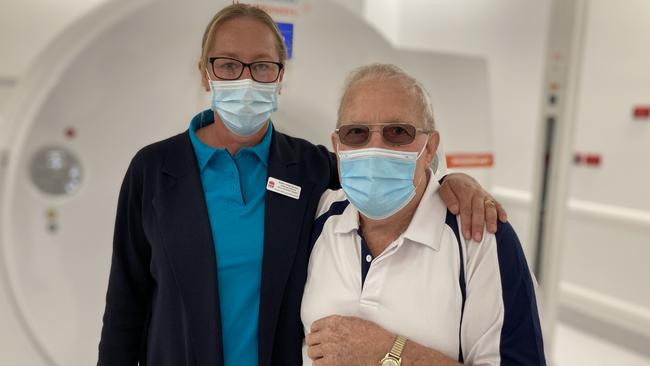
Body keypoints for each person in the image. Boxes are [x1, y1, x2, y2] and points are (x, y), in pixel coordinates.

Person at [97, 4, 506, 366]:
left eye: (261, 66)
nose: (245, 79)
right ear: (206, 74)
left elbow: (386, 171)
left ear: (279, 77)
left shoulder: (308, 166)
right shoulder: (153, 170)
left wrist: (454, 180)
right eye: (227, 65)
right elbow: (125, 304)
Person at [302, 63, 545, 366]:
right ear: (337, 146)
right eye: (356, 133)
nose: (375, 147)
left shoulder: (479, 237)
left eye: (398, 133)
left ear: (430, 148)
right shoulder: (318, 217)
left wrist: (389, 352)